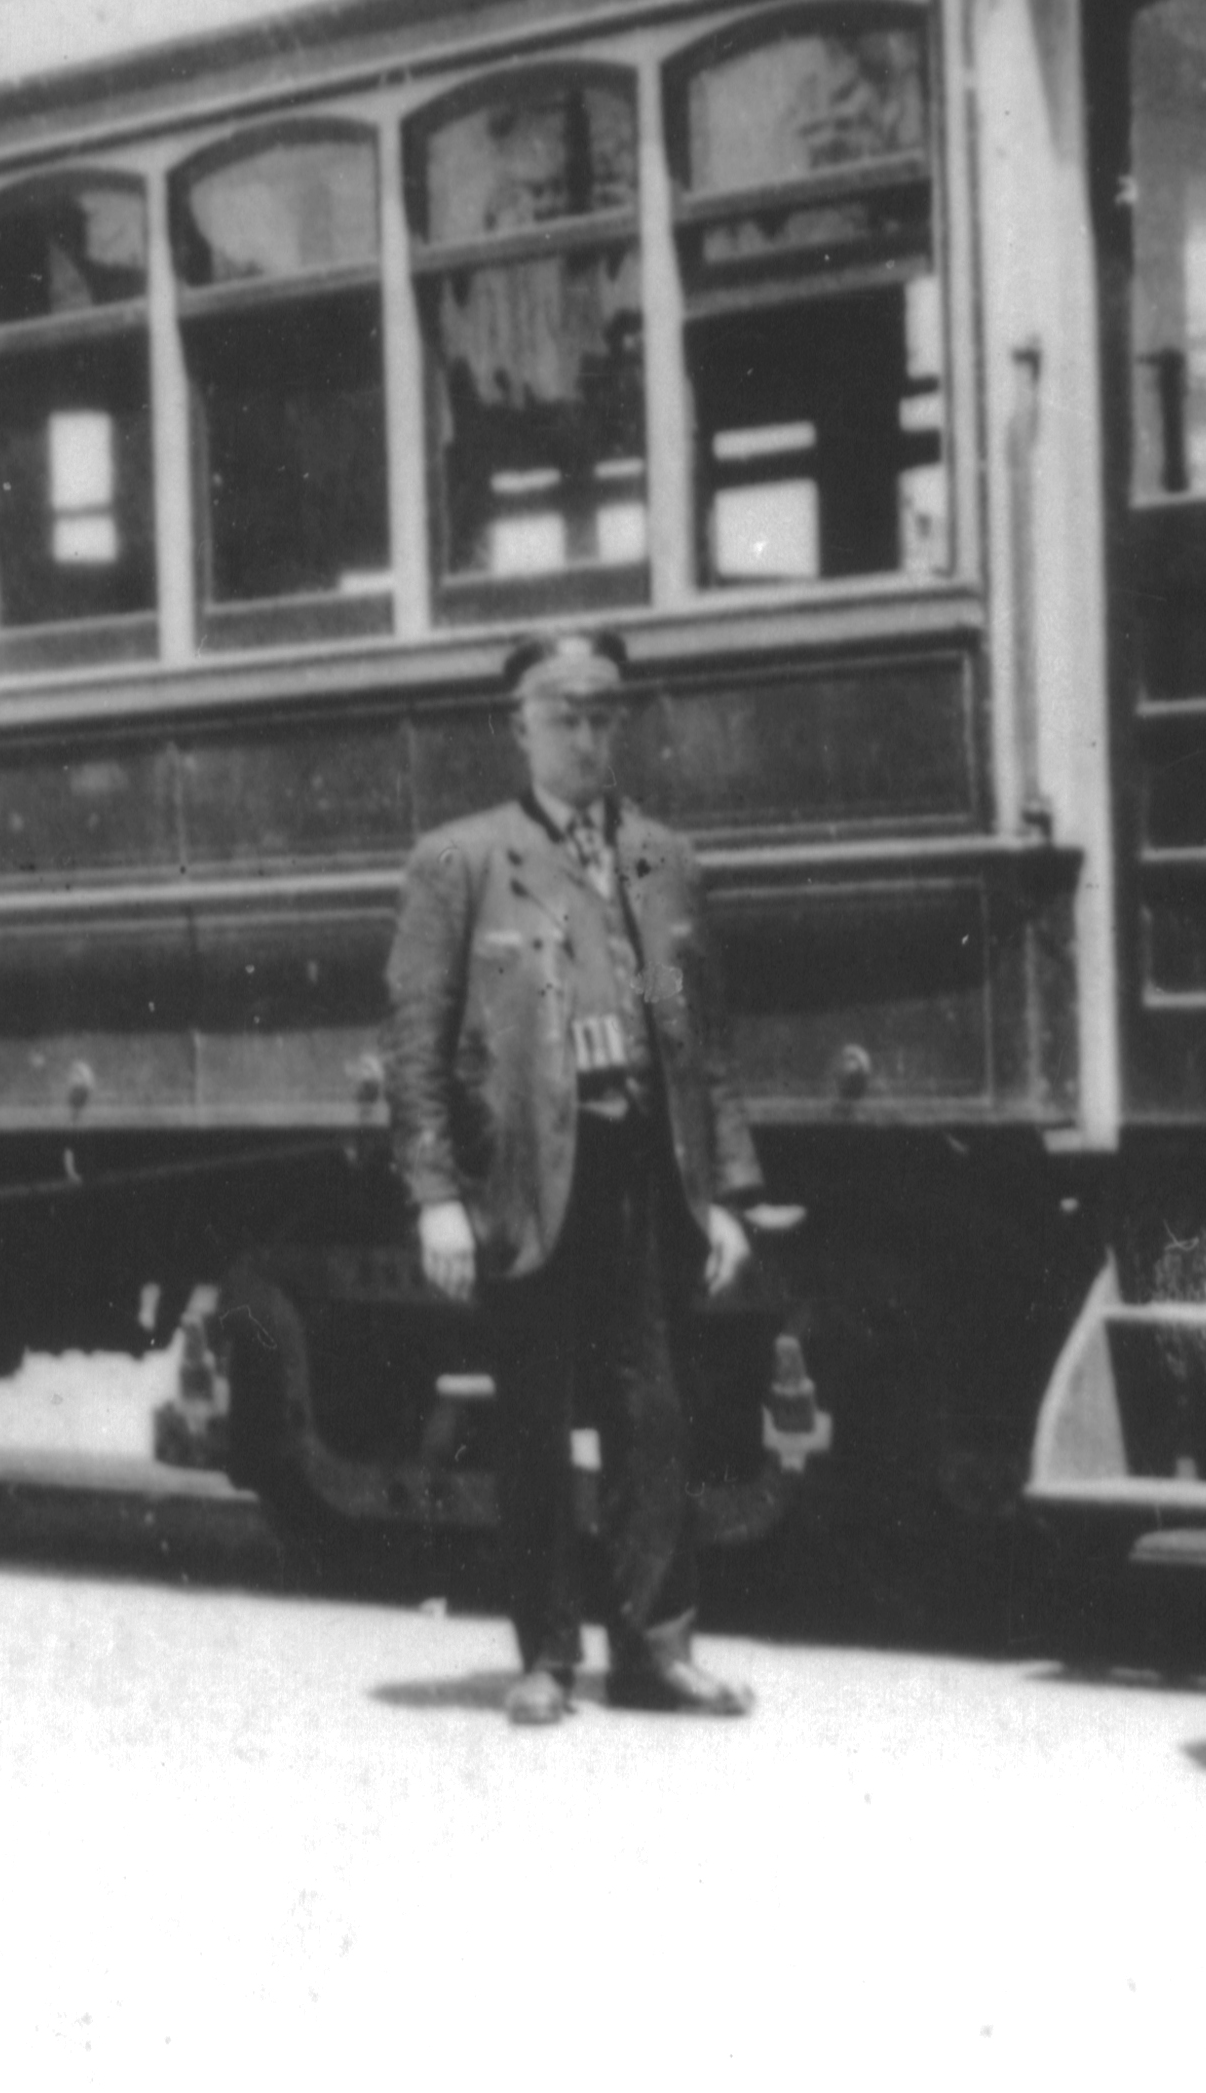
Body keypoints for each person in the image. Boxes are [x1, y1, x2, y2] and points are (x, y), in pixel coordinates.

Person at [384, 629, 763, 1728]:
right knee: (536, 1421)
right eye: (566, 717)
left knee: (653, 1415)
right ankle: (545, 1653)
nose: (590, 738)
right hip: (526, 1182)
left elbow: (704, 1040)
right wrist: (438, 1195)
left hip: (647, 1171)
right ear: (521, 726)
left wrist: (727, 1190)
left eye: (605, 717)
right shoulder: (461, 861)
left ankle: (657, 1650)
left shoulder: (663, 856)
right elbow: (416, 1047)